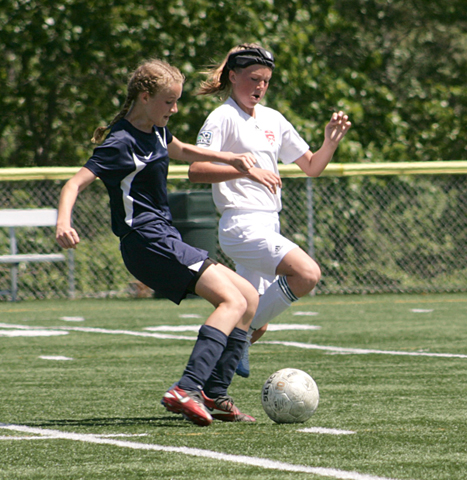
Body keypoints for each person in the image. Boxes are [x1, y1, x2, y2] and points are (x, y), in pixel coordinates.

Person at [55, 59, 260, 426]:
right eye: (169, 102)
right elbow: (74, 184)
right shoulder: (120, 142)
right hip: (146, 241)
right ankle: (187, 387)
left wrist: (229, 157)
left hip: (163, 237)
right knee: (231, 300)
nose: (175, 109)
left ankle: (214, 392)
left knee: (249, 298)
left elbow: (180, 150)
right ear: (145, 97)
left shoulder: (158, 131)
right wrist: (63, 223)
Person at [188, 44, 352, 377]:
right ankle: (241, 335)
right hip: (241, 225)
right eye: (252, 79)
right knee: (307, 274)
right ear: (232, 77)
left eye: (265, 81)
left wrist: (330, 142)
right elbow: (195, 170)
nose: (259, 88)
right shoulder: (223, 116)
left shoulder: (273, 119)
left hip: (268, 225)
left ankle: (208, 387)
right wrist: (245, 170)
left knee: (253, 319)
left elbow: (311, 167)